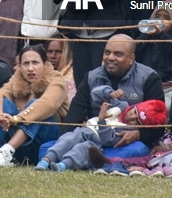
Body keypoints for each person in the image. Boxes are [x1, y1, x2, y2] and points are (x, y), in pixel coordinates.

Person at [61, 34, 165, 162]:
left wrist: (139, 134)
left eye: (118, 54)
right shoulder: (91, 77)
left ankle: (84, 159)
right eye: (107, 53)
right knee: (47, 148)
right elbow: (73, 118)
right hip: (92, 138)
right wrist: (65, 139)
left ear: (131, 58)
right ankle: (92, 158)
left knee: (138, 150)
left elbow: (159, 124)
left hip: (126, 144)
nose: (110, 58)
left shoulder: (149, 78)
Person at [0, 45, 70, 166]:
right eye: (26, 64)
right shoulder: (16, 80)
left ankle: (7, 151)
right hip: (19, 144)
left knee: (35, 105)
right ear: (20, 66)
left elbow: (48, 104)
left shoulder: (55, 78)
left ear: (45, 64)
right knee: (4, 103)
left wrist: (17, 119)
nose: (30, 68)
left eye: (35, 63)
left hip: (45, 144)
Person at [37, 99, 167, 171]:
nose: (130, 116)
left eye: (135, 120)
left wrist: (101, 120)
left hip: (96, 142)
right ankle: (46, 160)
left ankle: (63, 165)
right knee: (68, 139)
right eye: (134, 112)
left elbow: (107, 138)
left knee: (83, 150)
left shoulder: (128, 131)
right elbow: (97, 94)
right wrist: (109, 94)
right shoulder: (120, 107)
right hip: (83, 131)